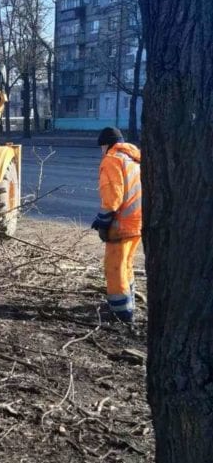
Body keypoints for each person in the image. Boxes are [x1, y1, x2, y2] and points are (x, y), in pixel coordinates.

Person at [91, 127, 142, 323]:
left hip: (121, 225)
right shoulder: (133, 159)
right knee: (126, 264)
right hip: (137, 223)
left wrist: (103, 221)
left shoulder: (112, 160)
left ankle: (121, 313)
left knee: (114, 268)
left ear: (106, 145)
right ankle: (128, 303)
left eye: (101, 147)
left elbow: (112, 196)